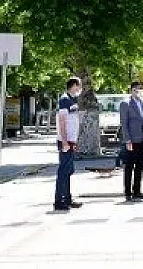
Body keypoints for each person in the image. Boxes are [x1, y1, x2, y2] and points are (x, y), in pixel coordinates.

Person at [54, 77, 83, 211]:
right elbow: (62, 121)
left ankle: (67, 198)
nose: (80, 89)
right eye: (79, 86)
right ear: (74, 85)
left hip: (71, 141)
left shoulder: (71, 100)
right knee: (63, 171)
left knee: (68, 171)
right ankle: (60, 201)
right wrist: (65, 141)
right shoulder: (64, 100)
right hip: (65, 141)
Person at [118, 81, 143, 201]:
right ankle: (128, 192)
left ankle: (137, 191)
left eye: (140, 89)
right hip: (131, 139)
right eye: (136, 89)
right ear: (131, 90)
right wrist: (127, 140)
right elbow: (124, 123)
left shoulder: (142, 102)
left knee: (140, 166)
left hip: (142, 138)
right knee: (129, 166)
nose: (138, 91)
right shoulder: (125, 103)